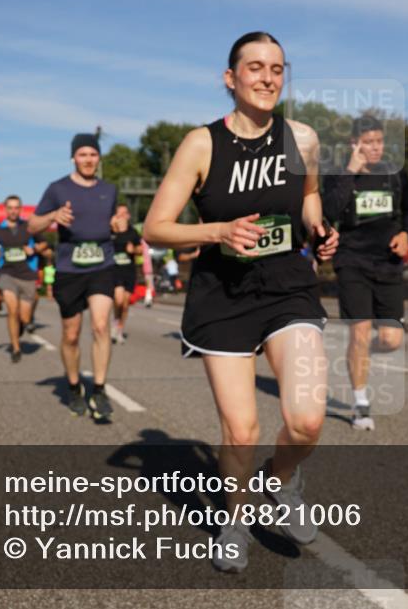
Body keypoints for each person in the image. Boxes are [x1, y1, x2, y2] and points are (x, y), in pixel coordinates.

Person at [143, 32, 338, 573]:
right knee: (242, 431)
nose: (268, 77)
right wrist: (218, 231)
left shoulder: (302, 138)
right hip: (222, 295)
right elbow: (155, 227)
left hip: (287, 287)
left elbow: (308, 197)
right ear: (230, 79)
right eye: (254, 67)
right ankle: (234, 522)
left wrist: (320, 229)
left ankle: (280, 481)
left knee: (306, 420)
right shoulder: (201, 144)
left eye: (278, 68)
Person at [322, 115, 408, 431]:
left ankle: (358, 354)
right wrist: (351, 169)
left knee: (391, 339)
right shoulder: (339, 175)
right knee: (360, 332)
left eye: (379, 141)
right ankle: (360, 403)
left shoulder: (394, 174)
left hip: (388, 265)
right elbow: (328, 213)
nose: (376, 148)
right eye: (369, 142)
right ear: (355, 143)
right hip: (352, 263)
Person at [29, 133, 117, 421]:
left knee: (101, 326)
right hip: (69, 269)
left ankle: (100, 389)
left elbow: (113, 221)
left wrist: (115, 224)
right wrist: (53, 215)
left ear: (98, 158)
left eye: (93, 154)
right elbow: (32, 226)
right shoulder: (57, 189)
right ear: (73, 158)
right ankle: (74, 385)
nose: (88, 160)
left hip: (102, 265)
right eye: (82, 155)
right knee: (71, 334)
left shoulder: (109, 190)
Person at [0, 195, 48, 363]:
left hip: (27, 274)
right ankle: (16, 347)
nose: (13, 211)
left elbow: (44, 245)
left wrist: (33, 249)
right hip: (7, 273)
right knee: (12, 310)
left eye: (16, 207)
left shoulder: (29, 227)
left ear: (20, 209)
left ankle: (23, 325)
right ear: (5, 209)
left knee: (24, 317)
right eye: (10, 207)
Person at [110, 203, 140, 344]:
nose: (122, 217)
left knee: (126, 304)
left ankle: (119, 329)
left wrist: (133, 249)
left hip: (129, 271)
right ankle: (115, 323)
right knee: (118, 299)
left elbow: (141, 248)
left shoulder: (132, 232)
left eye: (124, 214)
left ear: (128, 216)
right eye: (119, 214)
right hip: (115, 271)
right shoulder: (110, 232)